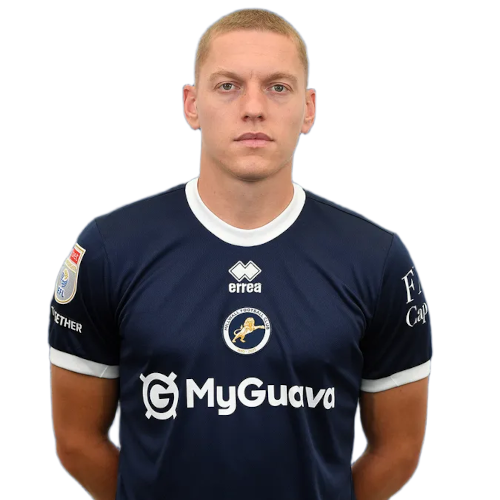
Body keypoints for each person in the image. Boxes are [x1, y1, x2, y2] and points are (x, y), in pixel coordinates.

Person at [48, 7, 433, 500]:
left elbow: (398, 450)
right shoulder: (109, 247)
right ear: (192, 105)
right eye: (228, 85)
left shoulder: (377, 258)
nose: (253, 107)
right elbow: (77, 442)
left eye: (278, 87)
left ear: (309, 109)